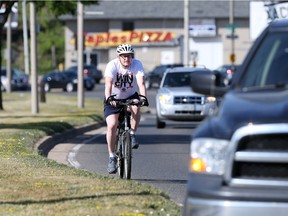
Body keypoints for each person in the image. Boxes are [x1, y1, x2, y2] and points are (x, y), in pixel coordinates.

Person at [104, 43, 148, 174]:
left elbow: (141, 83)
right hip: (114, 97)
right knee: (112, 125)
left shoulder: (137, 64)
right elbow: (108, 84)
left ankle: (133, 134)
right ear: (119, 57)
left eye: (129, 56)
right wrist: (109, 98)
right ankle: (112, 157)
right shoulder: (112, 65)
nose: (126, 59)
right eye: (123, 57)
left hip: (131, 95)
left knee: (136, 107)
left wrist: (143, 98)